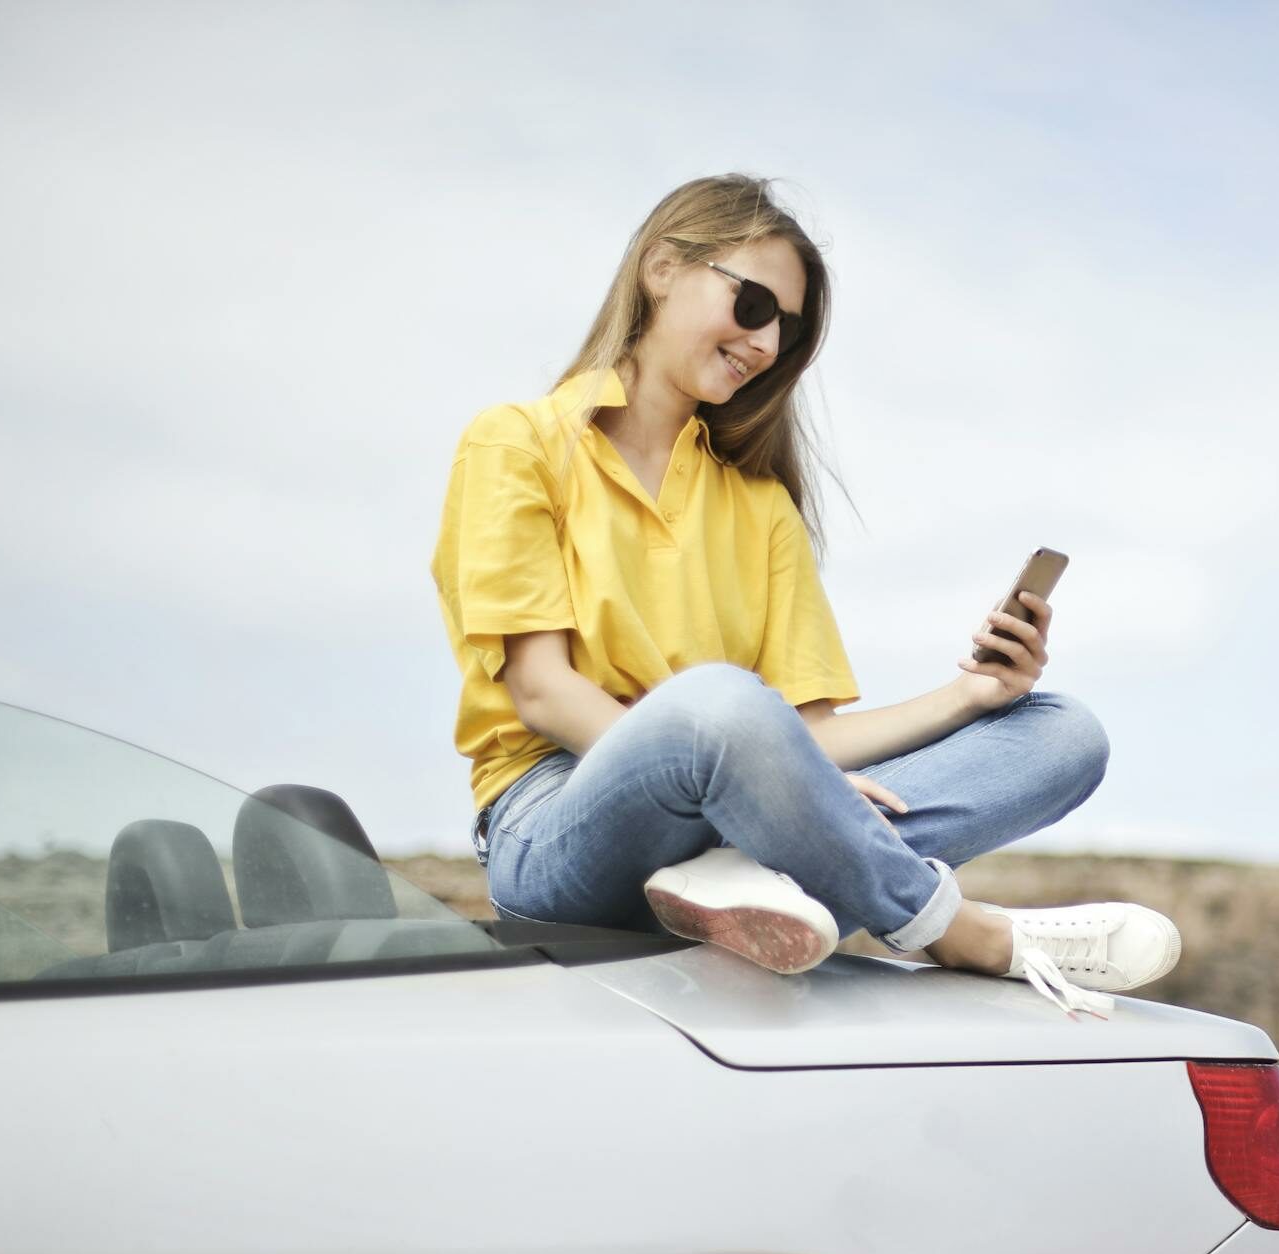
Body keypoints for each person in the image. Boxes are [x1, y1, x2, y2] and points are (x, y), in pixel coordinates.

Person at [430, 175, 1178, 1017]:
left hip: (738, 822)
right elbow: (541, 690)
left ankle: (757, 879)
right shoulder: (516, 442)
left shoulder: (760, 506)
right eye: (753, 305)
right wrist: (757, 781)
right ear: (662, 268)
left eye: (786, 330)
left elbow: (809, 737)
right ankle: (959, 930)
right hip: (558, 821)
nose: (764, 341)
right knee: (715, 705)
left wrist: (971, 695)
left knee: (1064, 734)